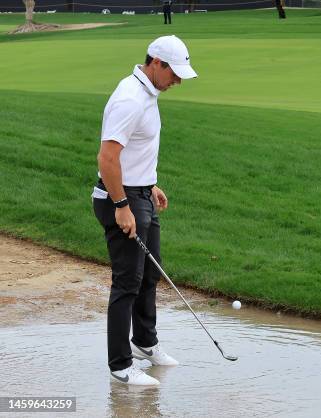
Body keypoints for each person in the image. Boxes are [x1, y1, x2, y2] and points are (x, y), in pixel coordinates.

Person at [93, 35, 197, 386]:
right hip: (119, 198)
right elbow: (107, 159)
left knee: (150, 274)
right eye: (174, 73)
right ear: (156, 63)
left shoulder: (148, 93)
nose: (178, 81)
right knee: (127, 281)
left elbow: (134, 150)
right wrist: (122, 205)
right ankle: (120, 365)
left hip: (140, 192)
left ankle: (144, 343)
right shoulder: (130, 98)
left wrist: (149, 184)